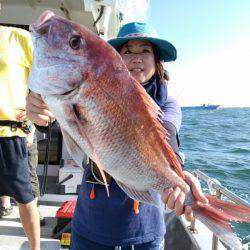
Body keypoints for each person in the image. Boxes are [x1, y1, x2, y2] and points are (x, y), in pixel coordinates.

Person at [26, 22, 207, 249]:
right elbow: (70, 125)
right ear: (117, 59)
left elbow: (168, 137)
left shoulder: (167, 104)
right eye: (128, 51)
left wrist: (179, 177)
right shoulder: (92, 90)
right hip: (90, 226)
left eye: (145, 51)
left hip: (144, 233)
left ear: (158, 61)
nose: (136, 58)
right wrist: (42, 115)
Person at [0, 21, 40, 250]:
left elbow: (43, 78)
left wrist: (33, 120)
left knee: (26, 198)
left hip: (11, 134)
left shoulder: (19, 38)